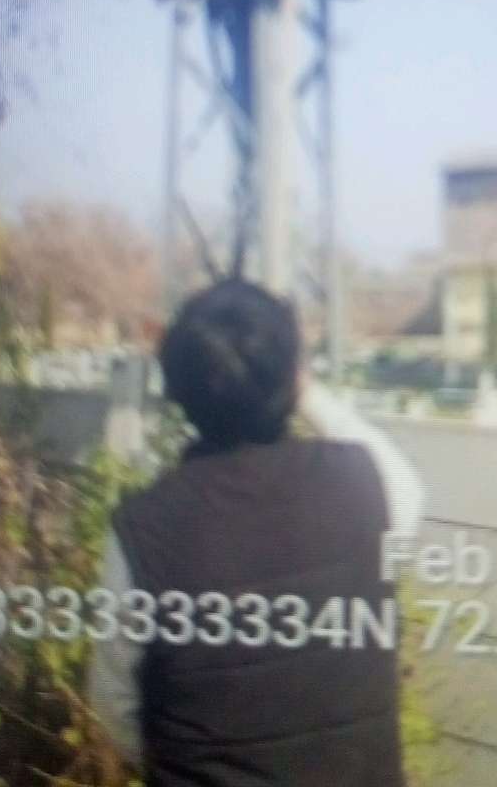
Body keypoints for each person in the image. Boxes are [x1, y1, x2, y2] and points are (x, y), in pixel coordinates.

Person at [90, 277, 425, 786]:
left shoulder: (142, 529)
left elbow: (114, 706)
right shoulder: (366, 483)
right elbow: (407, 489)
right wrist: (300, 387)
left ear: (178, 390)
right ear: (294, 374)